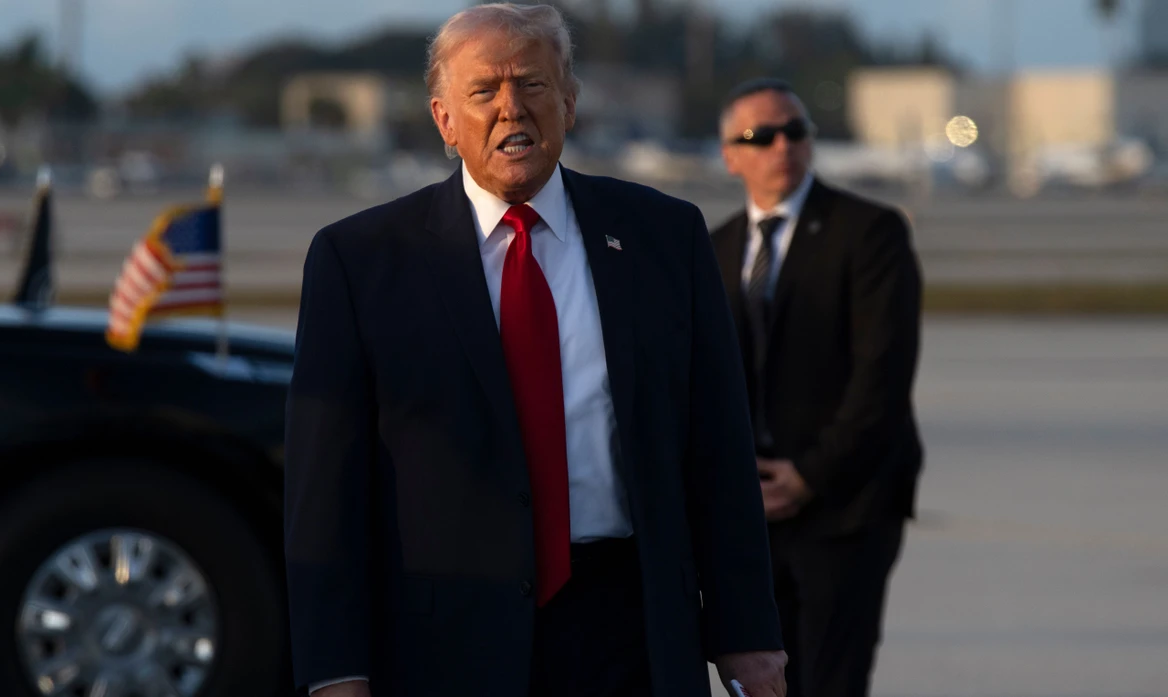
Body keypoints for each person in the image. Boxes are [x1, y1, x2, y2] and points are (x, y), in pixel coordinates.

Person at [283, 5, 787, 697]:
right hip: (447, 640)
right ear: (444, 120)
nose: (510, 108)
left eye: (533, 85)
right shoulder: (361, 262)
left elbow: (718, 455)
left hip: (629, 629)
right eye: (484, 91)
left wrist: (749, 634)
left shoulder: (664, 238)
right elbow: (325, 495)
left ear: (570, 103)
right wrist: (335, 670)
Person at [710, 78, 925, 697]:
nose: (782, 145)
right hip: (751, 511)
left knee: (831, 678)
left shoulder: (869, 232)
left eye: (795, 131)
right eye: (761, 135)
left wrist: (808, 475)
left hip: (846, 504)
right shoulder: (715, 247)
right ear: (729, 155)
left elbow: (881, 378)